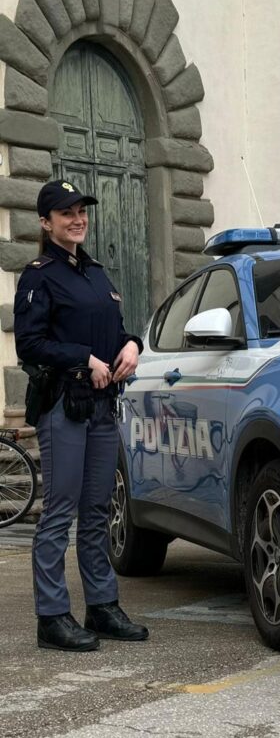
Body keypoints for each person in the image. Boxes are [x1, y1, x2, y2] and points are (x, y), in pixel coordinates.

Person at [13, 179, 149, 651]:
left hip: (102, 407)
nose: (77, 219)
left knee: (96, 511)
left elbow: (116, 330)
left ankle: (102, 606)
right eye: (66, 212)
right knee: (60, 512)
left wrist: (132, 345)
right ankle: (51, 616)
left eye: (82, 211)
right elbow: (29, 344)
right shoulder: (38, 275)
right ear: (46, 222)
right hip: (63, 406)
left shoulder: (95, 274)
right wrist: (83, 359)